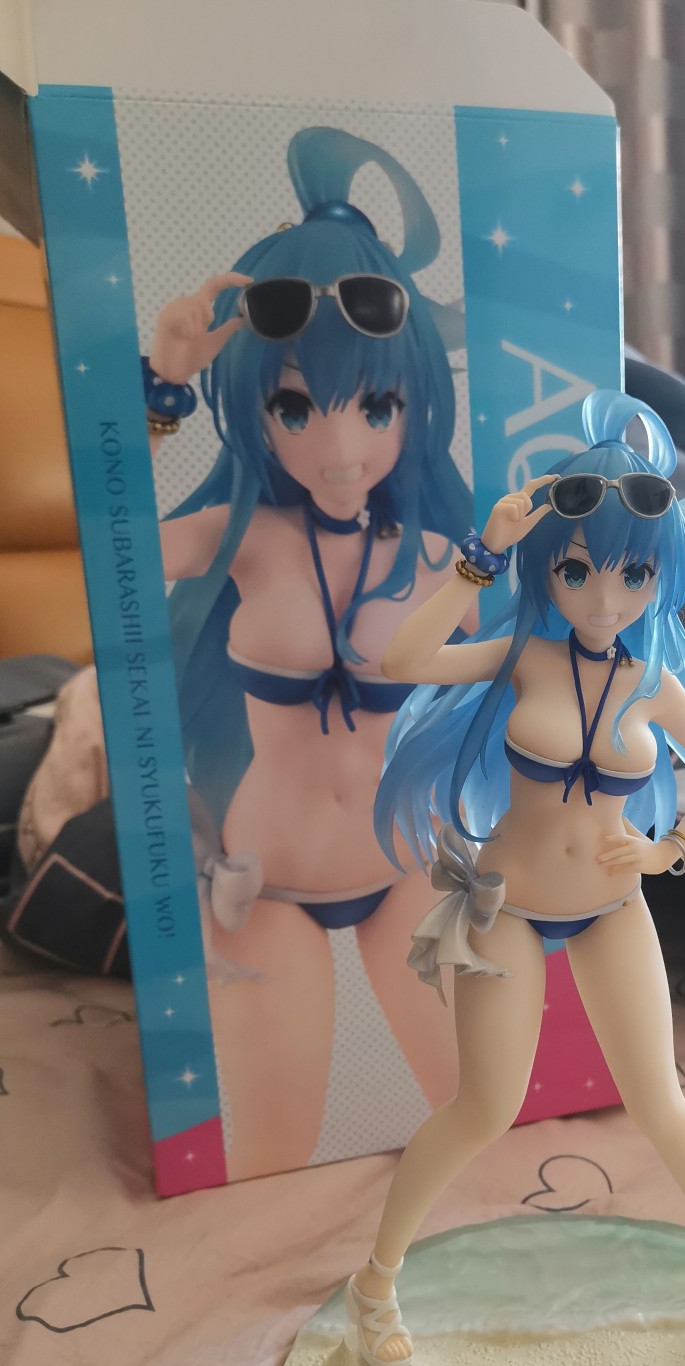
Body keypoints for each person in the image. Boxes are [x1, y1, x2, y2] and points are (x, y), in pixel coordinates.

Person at [346, 391, 685, 1366]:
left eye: (634, 573)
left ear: (661, 574)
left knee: (662, 1104)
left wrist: (671, 851)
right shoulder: (522, 657)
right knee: (483, 1109)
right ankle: (374, 1286)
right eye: (579, 570)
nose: (606, 598)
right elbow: (402, 661)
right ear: (549, 571)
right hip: (509, 906)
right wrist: (480, 557)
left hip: (614, 905)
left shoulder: (653, 681)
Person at [145, 127, 474, 1180]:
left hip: (409, 865)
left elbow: (541, 663)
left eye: (375, 406)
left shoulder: (444, 558)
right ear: (257, 411)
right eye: (294, 405)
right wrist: (160, 387)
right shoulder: (243, 536)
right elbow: (111, 558)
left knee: (488, 1125)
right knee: (269, 1164)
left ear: (413, 405)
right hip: (266, 884)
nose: (339, 448)